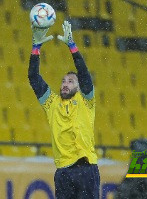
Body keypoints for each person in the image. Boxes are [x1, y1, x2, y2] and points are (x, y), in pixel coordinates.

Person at [28, 21, 100, 198]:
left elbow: (84, 75)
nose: (65, 84)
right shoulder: (51, 103)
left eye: (70, 81)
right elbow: (33, 77)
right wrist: (35, 47)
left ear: (78, 86)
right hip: (64, 172)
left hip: (87, 168)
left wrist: (72, 47)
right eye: (63, 81)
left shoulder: (86, 100)